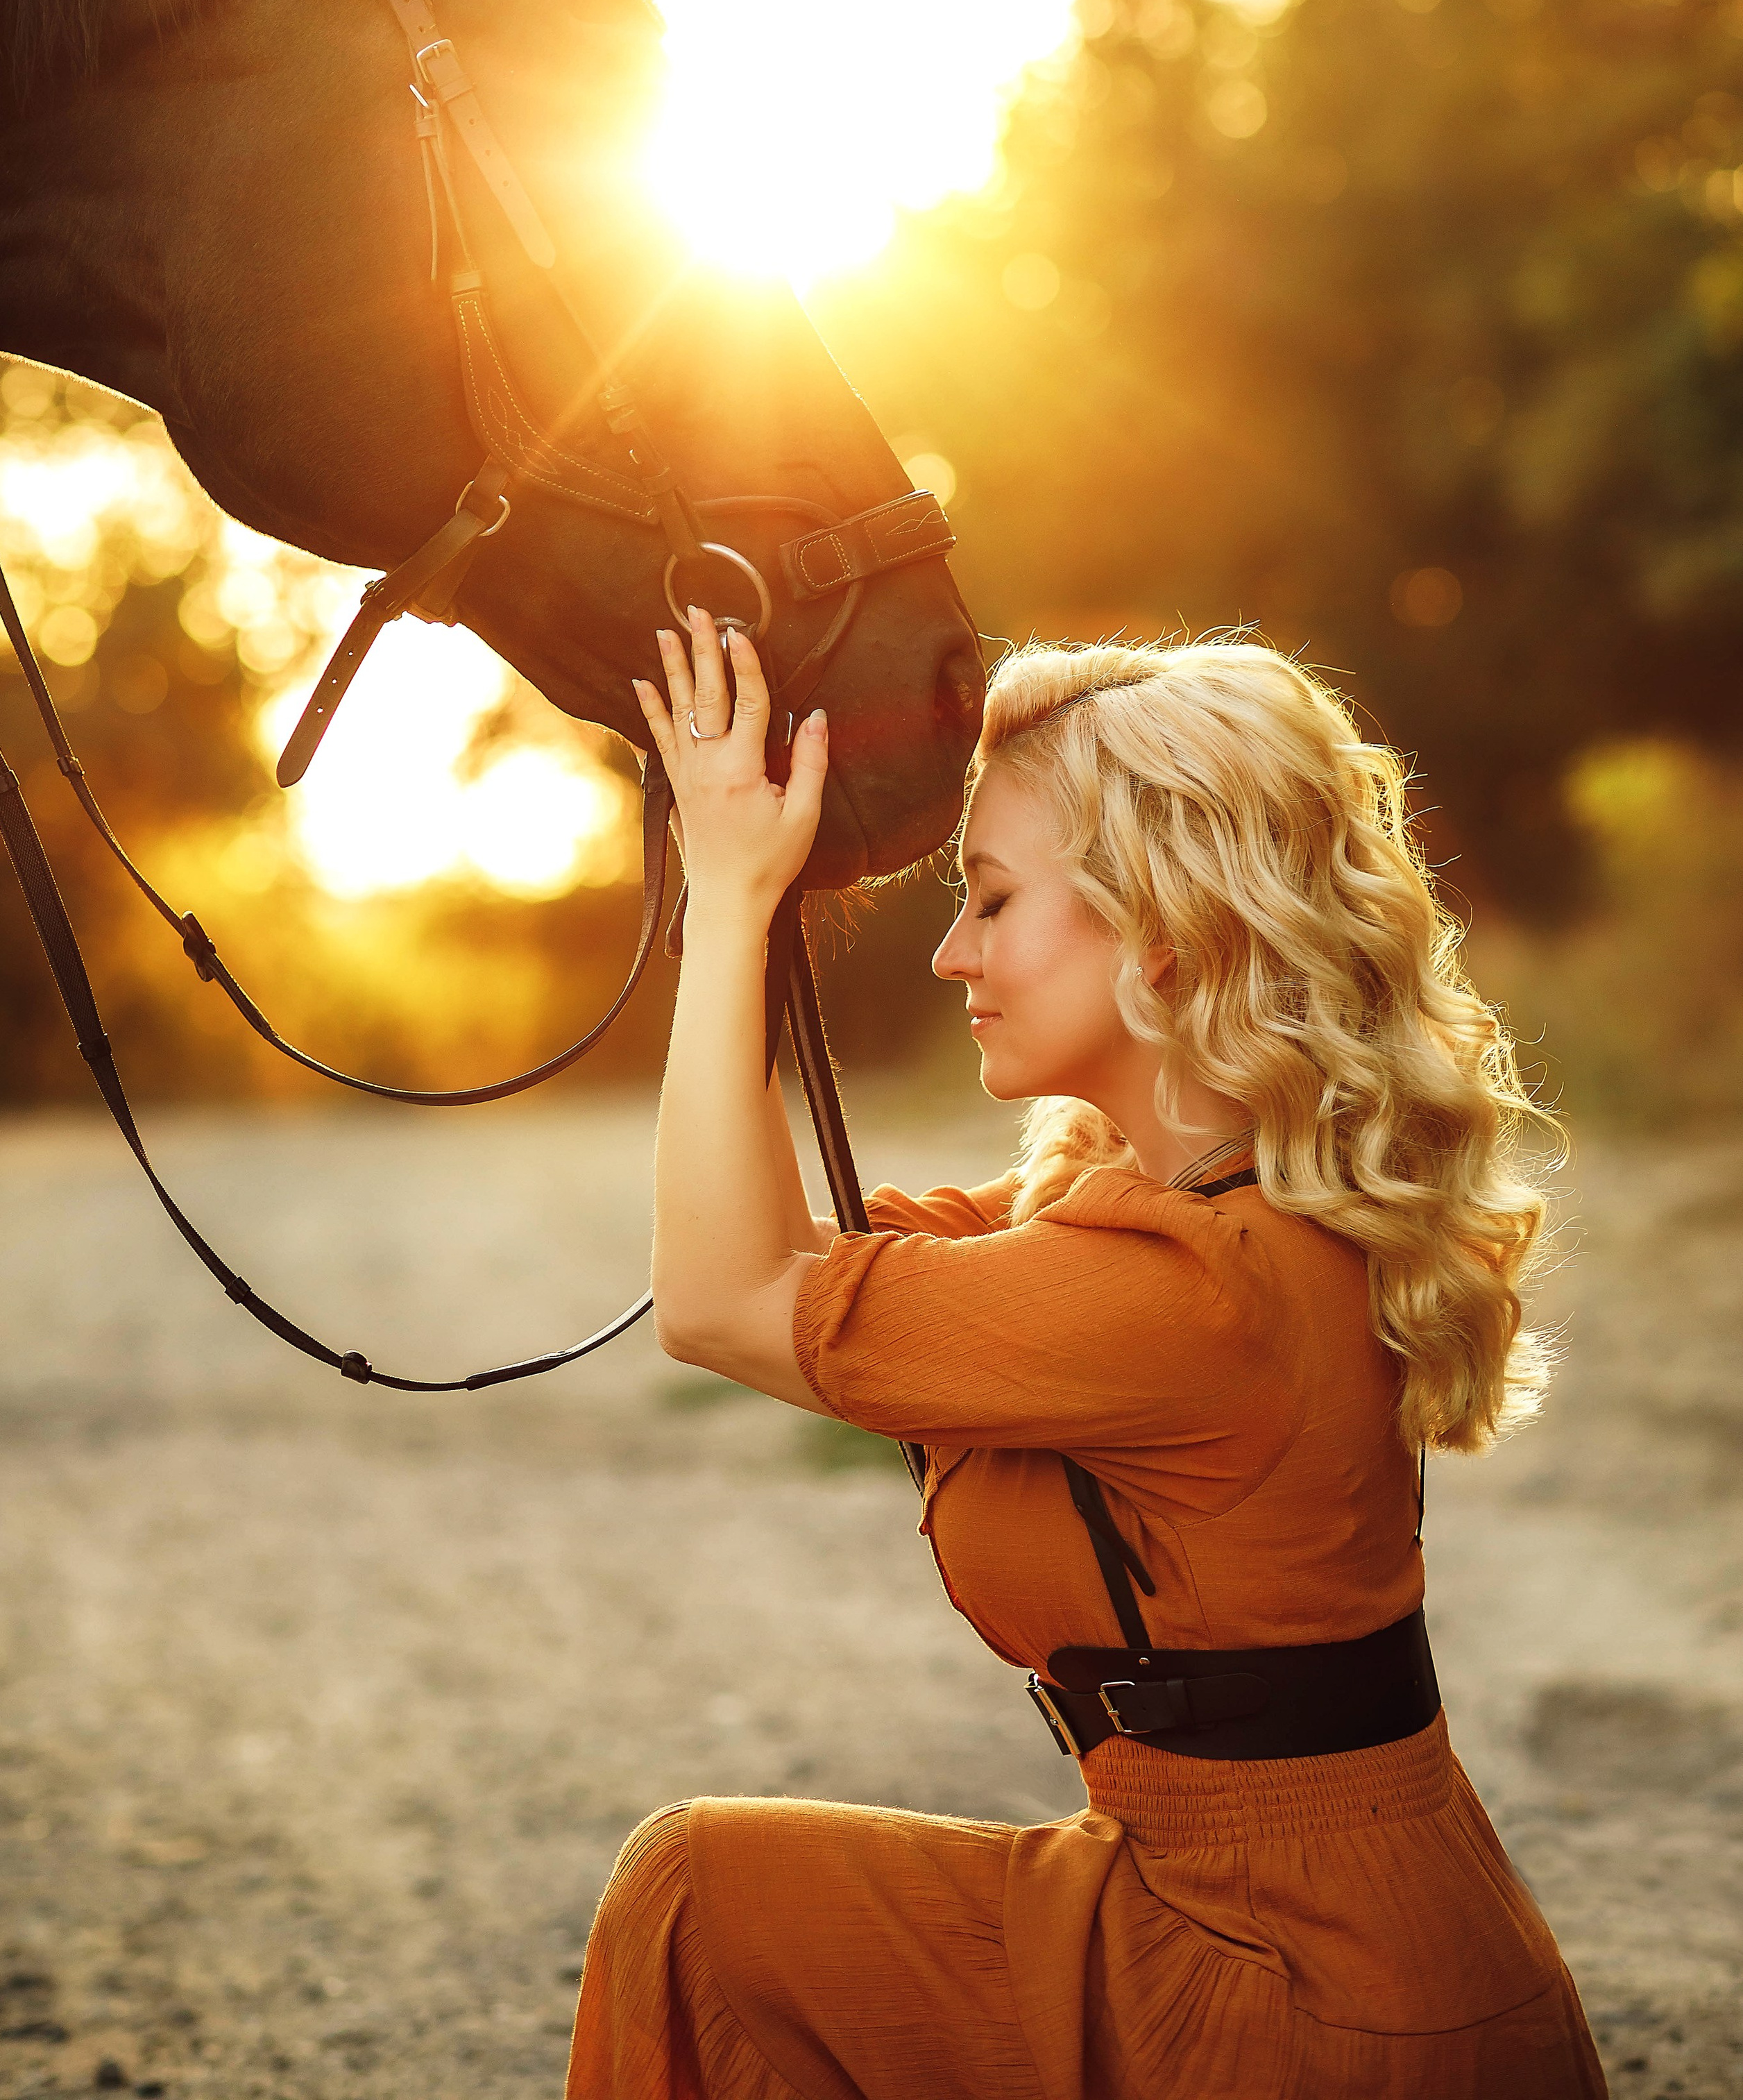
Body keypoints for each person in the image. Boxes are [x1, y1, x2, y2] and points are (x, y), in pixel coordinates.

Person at [564, 613, 1606, 2099]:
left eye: (989, 900)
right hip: (1299, 1931)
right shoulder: (1164, 1206)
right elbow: (773, 1253)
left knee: (697, 1900)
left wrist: (730, 906)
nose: (947, 952)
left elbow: (722, 1297)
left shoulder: (1189, 1285)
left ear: (1160, 926)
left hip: (1302, 1998)